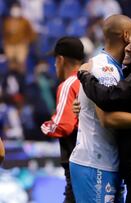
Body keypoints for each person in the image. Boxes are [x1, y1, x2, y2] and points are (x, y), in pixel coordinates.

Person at [69, 15, 131, 203]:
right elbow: (108, 119)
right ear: (126, 36)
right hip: (95, 161)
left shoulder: (122, 69)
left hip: (111, 161)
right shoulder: (103, 68)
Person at [40, 36, 84, 203]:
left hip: (76, 164)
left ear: (60, 59)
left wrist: (45, 126)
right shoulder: (90, 80)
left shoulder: (69, 84)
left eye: (54, 60)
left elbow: (63, 126)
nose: (54, 65)